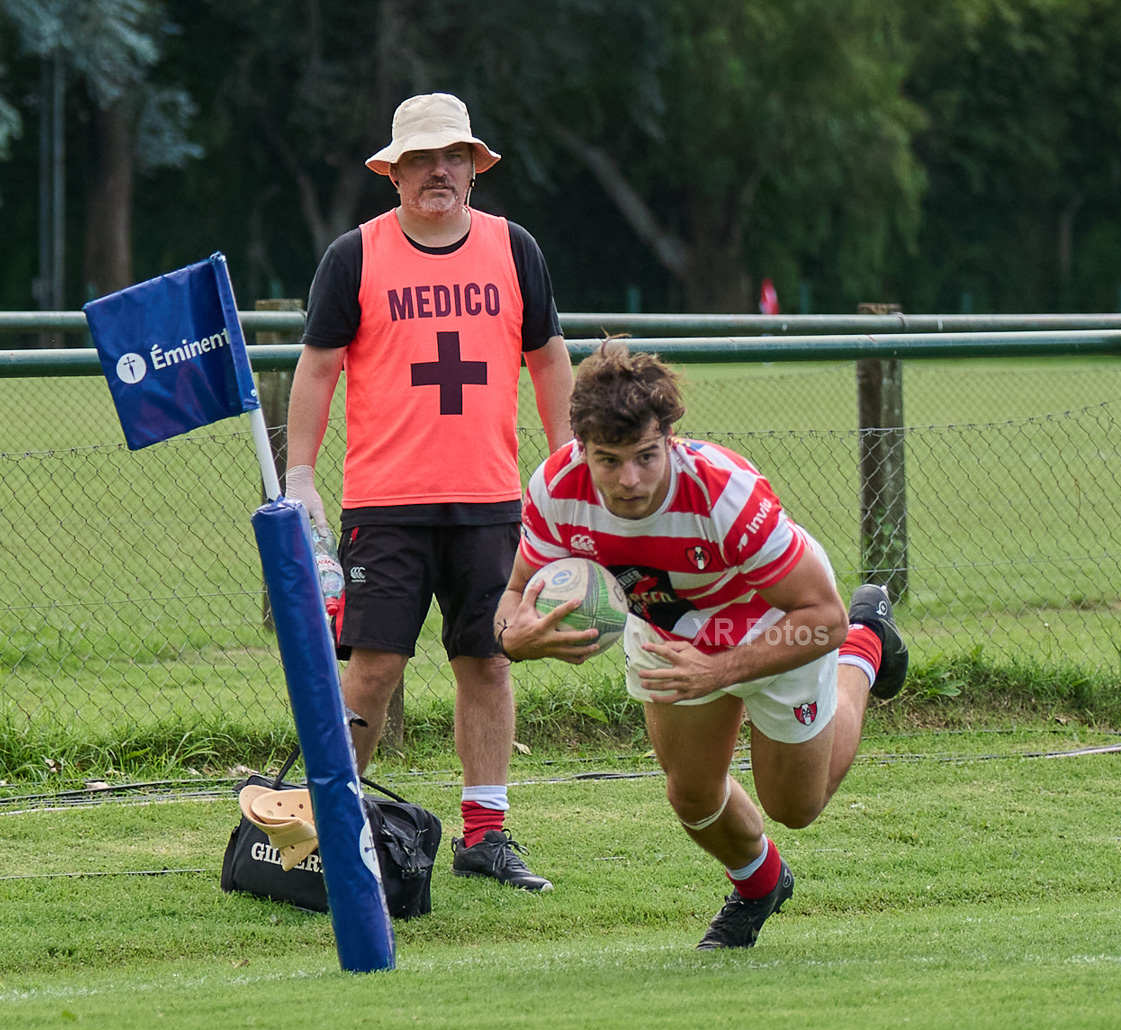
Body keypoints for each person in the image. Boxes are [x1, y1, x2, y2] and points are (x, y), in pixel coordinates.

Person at [495, 341, 910, 948]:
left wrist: (721, 670)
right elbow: (513, 595)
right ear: (580, 446)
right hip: (670, 630)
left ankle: (869, 644)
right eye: (608, 460)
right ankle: (759, 885)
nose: (629, 480)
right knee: (692, 794)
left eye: (646, 456)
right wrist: (516, 639)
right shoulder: (556, 489)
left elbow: (822, 618)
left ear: (670, 438)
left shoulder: (724, 494)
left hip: (777, 619)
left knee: (796, 807)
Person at [284, 93, 575, 892]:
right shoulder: (355, 255)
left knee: (488, 661)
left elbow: (549, 357)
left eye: (453, 156)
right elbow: (317, 366)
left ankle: (486, 834)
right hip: (386, 504)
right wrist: (300, 475)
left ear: (476, 168)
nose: (438, 171)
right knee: (373, 668)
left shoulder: (515, 249)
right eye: (420, 159)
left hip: (490, 501)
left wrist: (567, 464)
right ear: (394, 173)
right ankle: (333, 830)